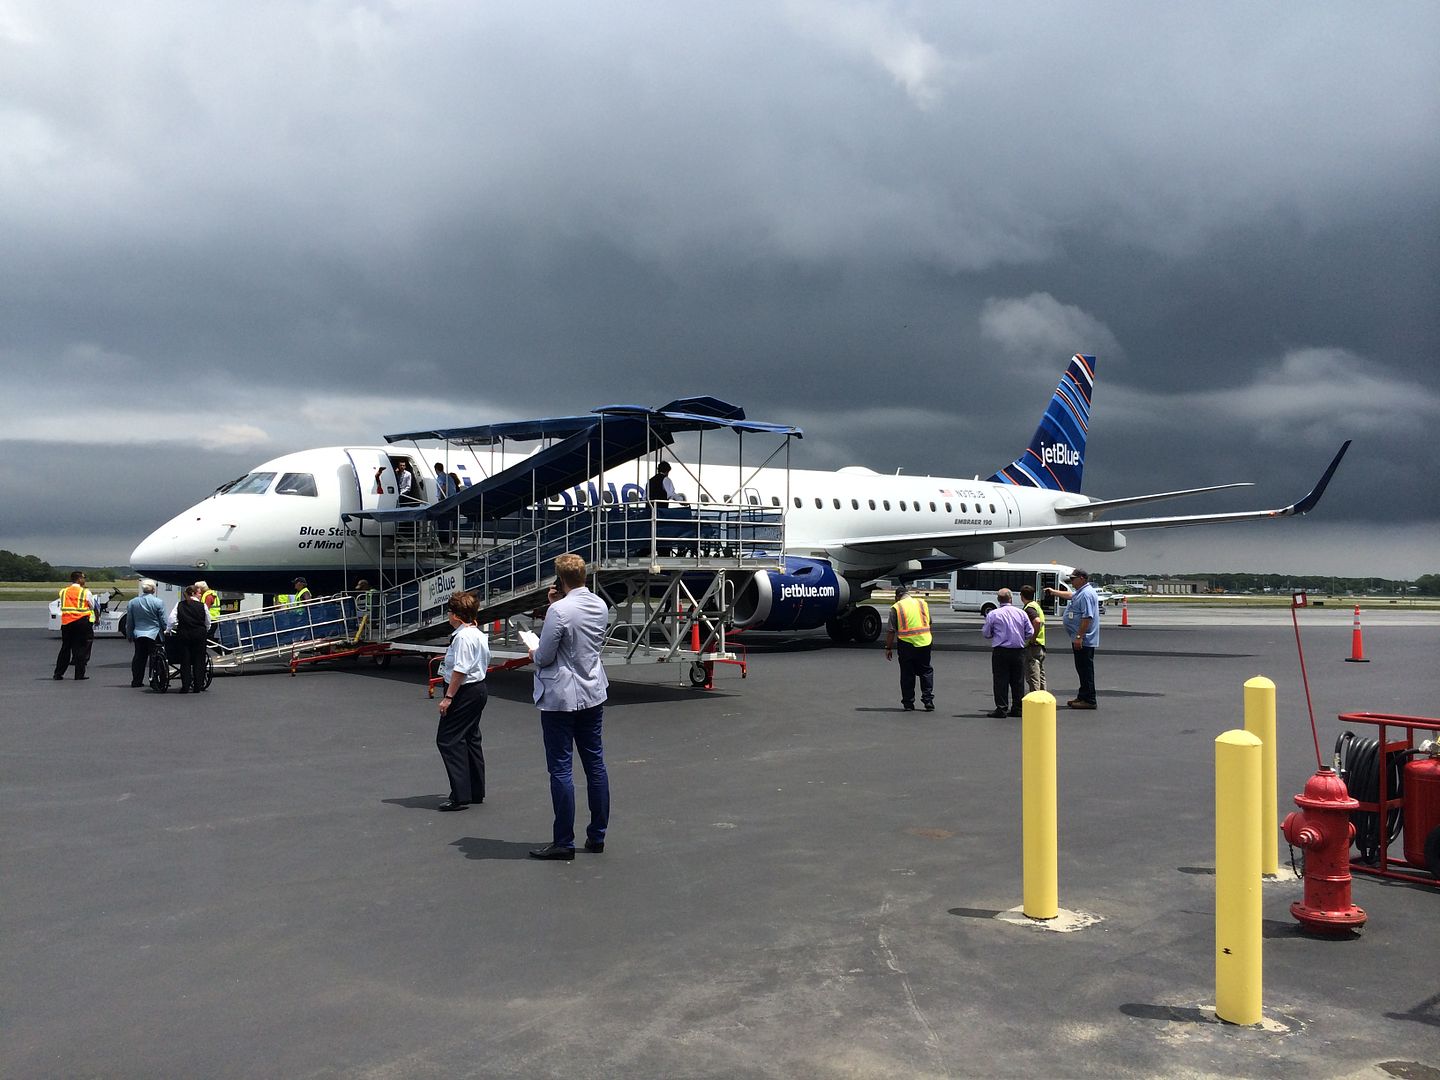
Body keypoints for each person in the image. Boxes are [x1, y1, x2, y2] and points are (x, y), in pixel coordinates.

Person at [527, 553, 611, 860]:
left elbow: (545, 655)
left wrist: (533, 650)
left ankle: (564, 841)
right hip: (592, 691)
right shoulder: (600, 605)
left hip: (561, 697)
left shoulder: (558, 610)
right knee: (595, 765)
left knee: (561, 768)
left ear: (560, 580)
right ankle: (597, 835)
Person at [434, 590, 490, 811]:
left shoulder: (463, 638)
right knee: (470, 737)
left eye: (449, 611)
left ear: (456, 615)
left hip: (464, 691)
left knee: (448, 739)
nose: (448, 615)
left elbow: (460, 669)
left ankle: (460, 794)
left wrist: (448, 697)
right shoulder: (476, 633)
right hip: (477, 689)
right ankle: (475, 790)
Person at [1047, 568, 1100, 710]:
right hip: (1080, 638)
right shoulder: (1081, 592)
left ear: (1081, 578)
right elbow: (1071, 595)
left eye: (1073, 579)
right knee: (1081, 669)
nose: (1071, 581)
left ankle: (1089, 699)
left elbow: (1087, 617)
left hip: (1084, 639)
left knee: (1085, 670)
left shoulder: (1086, 594)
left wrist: (1079, 636)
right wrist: (1054, 592)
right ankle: (1083, 696)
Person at [982, 589, 1033, 718]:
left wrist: (995, 634)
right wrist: (1021, 637)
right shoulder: (1021, 613)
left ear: (998, 600)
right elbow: (1030, 632)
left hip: (1001, 650)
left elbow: (986, 633)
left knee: (1000, 680)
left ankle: (1001, 708)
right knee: (1018, 680)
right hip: (1018, 650)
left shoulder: (993, 614)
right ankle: (1017, 708)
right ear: (1011, 599)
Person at [884, 584, 934, 712]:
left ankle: (908, 703)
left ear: (897, 597)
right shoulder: (922, 603)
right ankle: (928, 700)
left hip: (906, 643)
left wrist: (888, 647)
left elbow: (891, 630)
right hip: (925, 641)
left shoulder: (896, 607)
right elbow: (929, 622)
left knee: (907, 673)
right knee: (926, 671)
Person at [53, 571, 97, 681]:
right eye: (83, 578)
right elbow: (92, 606)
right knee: (80, 648)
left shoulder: (63, 591)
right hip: (81, 622)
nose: (84, 580)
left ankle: (58, 673)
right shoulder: (85, 592)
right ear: (79, 579)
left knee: (65, 648)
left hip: (67, 623)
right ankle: (79, 674)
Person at [168, 584, 211, 693]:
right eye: (199, 593)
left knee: (185, 660)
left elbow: (172, 619)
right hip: (199, 634)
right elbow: (208, 621)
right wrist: (205, 629)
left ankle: (185, 686)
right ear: (194, 593)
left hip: (184, 634)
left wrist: (168, 629)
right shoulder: (202, 606)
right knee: (199, 660)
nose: (201, 595)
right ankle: (197, 686)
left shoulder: (179, 605)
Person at [126, 579, 168, 688]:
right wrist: (166, 630)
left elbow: (130, 621)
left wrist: (129, 634)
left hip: (139, 634)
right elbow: (163, 620)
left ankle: (136, 680)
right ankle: (155, 680)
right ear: (153, 589)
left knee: (139, 657)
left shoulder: (132, 602)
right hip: (154, 634)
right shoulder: (158, 602)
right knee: (155, 657)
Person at [1020, 583, 1047, 693]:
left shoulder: (1029, 608)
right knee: (1040, 675)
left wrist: (1032, 638)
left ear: (1021, 596)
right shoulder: (1036, 605)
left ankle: (1035, 699)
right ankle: (1043, 697)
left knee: (1033, 676)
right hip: (1040, 645)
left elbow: (1037, 621)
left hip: (1033, 646)